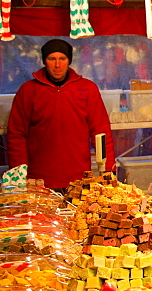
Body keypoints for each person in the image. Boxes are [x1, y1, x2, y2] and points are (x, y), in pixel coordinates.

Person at [7, 39, 115, 191]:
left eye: (62, 59)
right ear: (44, 61)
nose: (57, 65)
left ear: (69, 61)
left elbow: (101, 131)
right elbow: (16, 134)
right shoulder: (28, 91)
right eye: (52, 59)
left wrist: (108, 171)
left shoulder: (87, 89)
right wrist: (18, 175)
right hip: (38, 181)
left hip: (79, 179)